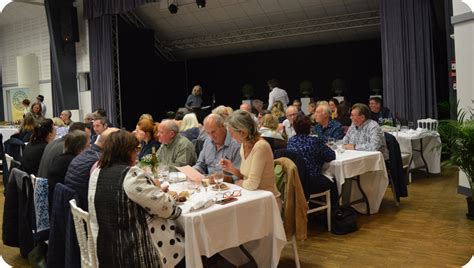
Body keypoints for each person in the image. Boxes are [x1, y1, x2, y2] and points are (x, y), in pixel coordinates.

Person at [88, 130, 184, 267]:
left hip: (104, 247)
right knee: (188, 242)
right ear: (127, 152)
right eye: (136, 150)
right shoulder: (130, 175)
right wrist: (163, 193)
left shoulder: (97, 172)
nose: (137, 155)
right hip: (133, 252)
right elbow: (168, 209)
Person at [220, 110, 281, 209]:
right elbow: (247, 177)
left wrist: (236, 183)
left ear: (242, 132)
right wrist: (232, 169)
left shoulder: (260, 147)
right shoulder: (244, 144)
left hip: (267, 202)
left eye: (231, 133)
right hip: (252, 197)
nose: (231, 136)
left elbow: (252, 184)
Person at [287, 114, 338, 207]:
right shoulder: (314, 141)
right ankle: (335, 213)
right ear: (310, 127)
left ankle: (314, 207)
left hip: (295, 181)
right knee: (333, 182)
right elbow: (331, 155)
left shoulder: (291, 141)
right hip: (311, 182)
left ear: (294, 128)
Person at [63, 128, 119, 211]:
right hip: (88, 210)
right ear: (112, 145)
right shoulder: (100, 161)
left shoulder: (83, 155)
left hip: (75, 208)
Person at [193, 114, 241, 182]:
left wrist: (224, 179)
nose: (211, 136)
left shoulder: (236, 144)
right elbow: (200, 164)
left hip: (228, 186)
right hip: (209, 184)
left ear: (223, 126)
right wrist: (194, 170)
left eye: (213, 132)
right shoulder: (208, 141)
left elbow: (240, 175)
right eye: (208, 133)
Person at [47, 130, 89, 207]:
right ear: (80, 148)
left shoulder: (60, 158)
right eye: (88, 145)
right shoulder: (75, 162)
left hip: (54, 200)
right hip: (63, 205)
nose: (90, 148)